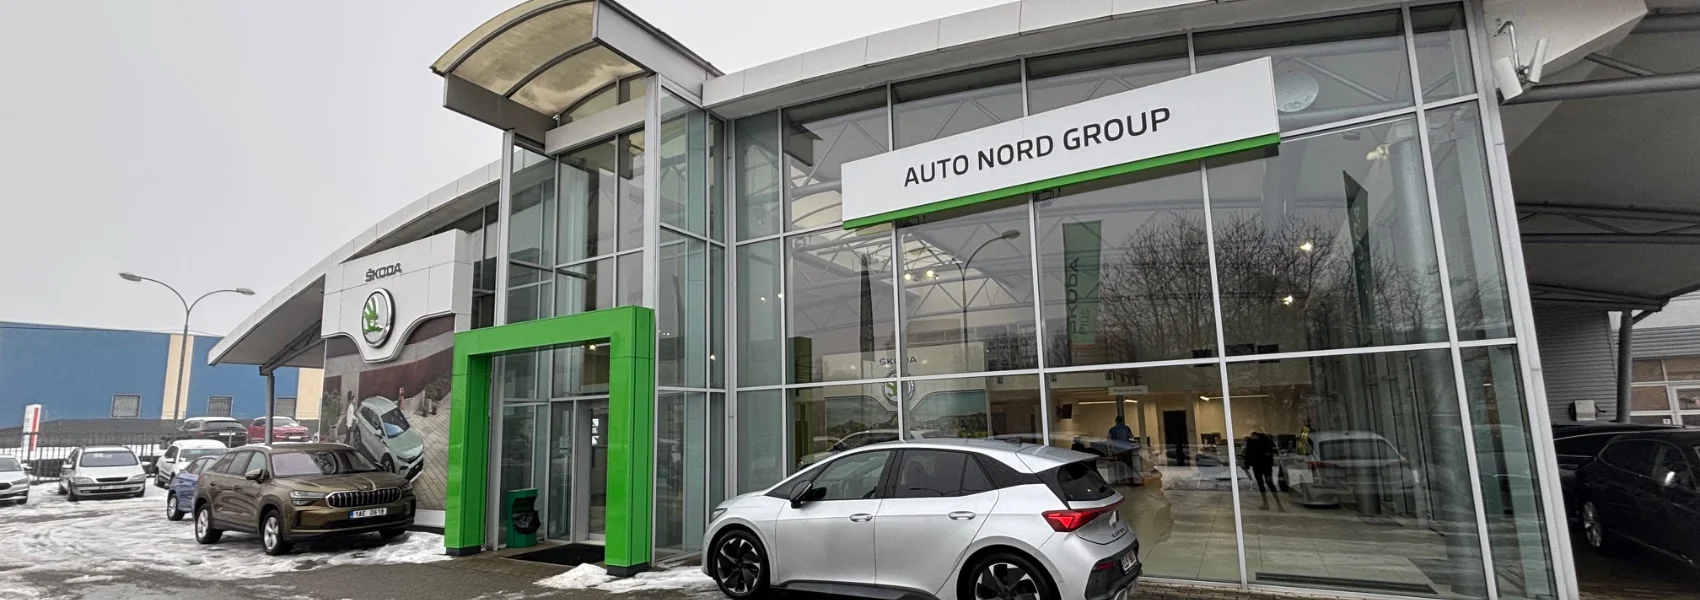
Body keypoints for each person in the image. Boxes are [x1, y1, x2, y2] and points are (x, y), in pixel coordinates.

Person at [1243, 421, 1283, 511]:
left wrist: (1247, 463)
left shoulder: (1252, 440)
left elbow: (1248, 452)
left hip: (1257, 464)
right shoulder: (1267, 439)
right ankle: (1279, 505)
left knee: (1261, 484)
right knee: (1270, 483)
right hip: (1266, 464)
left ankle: (1267, 504)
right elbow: (1272, 451)